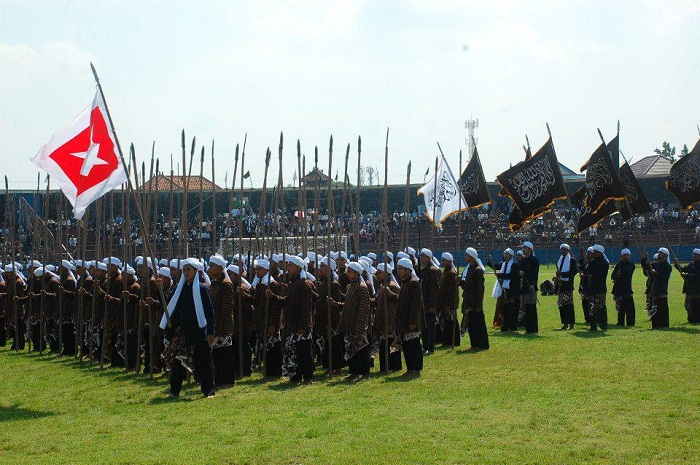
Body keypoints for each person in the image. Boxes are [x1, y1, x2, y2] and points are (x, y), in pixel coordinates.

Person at [160, 258, 216, 398]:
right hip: (182, 332)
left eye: (188, 270)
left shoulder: (202, 289)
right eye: (184, 270)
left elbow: (210, 312)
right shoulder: (178, 289)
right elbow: (169, 306)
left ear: (195, 271)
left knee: (204, 362)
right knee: (177, 362)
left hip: (199, 331)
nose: (186, 272)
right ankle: (174, 391)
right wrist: (159, 289)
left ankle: (208, 391)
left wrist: (210, 332)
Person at [267, 255, 315, 384]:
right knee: (294, 353)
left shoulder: (304, 285)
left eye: (291, 265)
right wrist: (274, 297)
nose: (288, 267)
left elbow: (306, 308)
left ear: (298, 267)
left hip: (301, 325)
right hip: (291, 324)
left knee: (304, 353)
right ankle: (295, 377)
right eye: (288, 265)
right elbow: (286, 302)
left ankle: (308, 377)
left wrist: (303, 326)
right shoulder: (292, 283)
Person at [330, 261, 371, 381]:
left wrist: (359, 327)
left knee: (361, 349)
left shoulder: (362, 288)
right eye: (347, 271)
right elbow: (348, 305)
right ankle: (354, 372)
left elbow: (363, 309)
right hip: (349, 323)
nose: (347, 273)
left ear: (357, 273)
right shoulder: (350, 287)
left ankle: (365, 374)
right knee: (351, 349)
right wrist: (336, 304)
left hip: (357, 324)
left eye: (350, 271)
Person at [207, 254, 236, 388]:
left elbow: (227, 309)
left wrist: (221, 327)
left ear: (219, 267)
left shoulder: (226, 284)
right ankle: (219, 380)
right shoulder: (214, 283)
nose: (209, 269)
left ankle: (227, 381)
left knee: (224, 355)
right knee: (217, 355)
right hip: (215, 325)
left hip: (223, 326)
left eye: (212, 266)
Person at [394, 258, 425, 378]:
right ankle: (410, 368)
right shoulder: (405, 283)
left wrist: (413, 321)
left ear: (408, 270)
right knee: (406, 346)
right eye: (398, 268)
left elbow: (415, 304)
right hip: (404, 320)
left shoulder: (414, 283)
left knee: (414, 346)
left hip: (411, 321)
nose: (398, 271)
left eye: (400, 269)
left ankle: (416, 370)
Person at [314, 257, 343, 375]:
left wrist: (331, 322)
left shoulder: (334, 284)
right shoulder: (325, 283)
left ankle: (337, 368)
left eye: (322, 267)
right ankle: (329, 367)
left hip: (332, 320)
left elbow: (335, 305)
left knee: (334, 344)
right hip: (323, 318)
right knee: (327, 344)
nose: (320, 269)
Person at [372, 262, 402, 372]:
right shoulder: (382, 286)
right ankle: (385, 367)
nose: (378, 275)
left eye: (380, 272)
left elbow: (393, 306)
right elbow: (377, 301)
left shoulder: (392, 287)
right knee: (384, 345)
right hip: (382, 321)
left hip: (390, 322)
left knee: (392, 344)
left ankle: (394, 367)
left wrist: (390, 322)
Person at [461, 248, 489, 351]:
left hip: (475, 302)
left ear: (472, 257)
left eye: (466, 255)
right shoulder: (469, 268)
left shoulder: (478, 270)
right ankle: (474, 344)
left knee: (478, 325)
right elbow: (467, 286)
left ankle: (482, 345)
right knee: (471, 324)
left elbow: (480, 289)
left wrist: (479, 304)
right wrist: (460, 282)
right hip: (468, 301)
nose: (465, 257)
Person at [641, 248, 672, 329]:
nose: (658, 253)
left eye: (660, 252)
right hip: (654, 290)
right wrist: (644, 258)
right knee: (654, 309)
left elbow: (664, 278)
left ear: (665, 255)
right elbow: (646, 266)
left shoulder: (668, 266)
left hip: (661, 290)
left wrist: (655, 273)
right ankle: (655, 325)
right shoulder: (656, 264)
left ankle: (664, 325)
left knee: (662, 309)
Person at [418, 248, 440, 355]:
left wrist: (432, 305)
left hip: (429, 303)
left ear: (428, 257)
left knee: (431, 327)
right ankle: (425, 345)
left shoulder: (432, 270)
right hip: (423, 303)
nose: (421, 258)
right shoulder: (424, 270)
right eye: (421, 256)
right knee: (424, 326)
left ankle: (431, 348)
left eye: (423, 256)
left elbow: (433, 289)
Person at [492, 248, 520, 332]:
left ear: (511, 256)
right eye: (504, 254)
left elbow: (512, 275)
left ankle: (512, 326)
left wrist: (500, 275)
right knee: (504, 308)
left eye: (507, 254)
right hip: (504, 289)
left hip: (511, 290)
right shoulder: (503, 264)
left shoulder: (514, 264)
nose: (505, 255)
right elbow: (495, 266)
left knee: (510, 309)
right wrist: (490, 260)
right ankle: (504, 326)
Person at [438, 252, 460, 346]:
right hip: (444, 302)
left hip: (450, 303)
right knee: (446, 322)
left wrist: (448, 304)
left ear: (449, 261)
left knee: (451, 322)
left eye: (444, 260)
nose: (442, 262)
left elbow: (452, 291)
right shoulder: (445, 272)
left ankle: (454, 341)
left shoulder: (451, 273)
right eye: (442, 260)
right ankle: (447, 341)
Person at [586, 245, 609, 331]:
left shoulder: (604, 263)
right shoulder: (594, 261)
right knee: (592, 307)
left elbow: (596, 272)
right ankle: (593, 326)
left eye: (595, 253)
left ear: (600, 253)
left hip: (600, 288)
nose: (594, 254)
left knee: (601, 307)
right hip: (593, 288)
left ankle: (603, 326)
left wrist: (589, 267)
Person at [518, 241, 539, 334]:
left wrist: (533, 284)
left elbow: (535, 274)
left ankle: (533, 329)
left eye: (525, 248)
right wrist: (520, 273)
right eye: (523, 248)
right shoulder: (523, 260)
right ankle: (528, 329)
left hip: (531, 287)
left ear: (530, 249)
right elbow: (520, 271)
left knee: (531, 308)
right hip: (524, 287)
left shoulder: (534, 260)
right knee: (525, 308)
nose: (523, 250)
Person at [555, 244, 578, 331]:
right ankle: (565, 323)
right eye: (562, 249)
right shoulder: (561, 259)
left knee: (569, 304)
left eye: (564, 249)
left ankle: (571, 324)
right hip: (561, 285)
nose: (563, 251)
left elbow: (572, 273)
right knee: (561, 304)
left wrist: (562, 274)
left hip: (568, 285)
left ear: (567, 250)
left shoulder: (572, 260)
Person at [674, 249, 700, 324]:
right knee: (688, 305)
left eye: (695, 254)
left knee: (697, 305)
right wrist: (677, 265)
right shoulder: (691, 264)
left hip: (698, 289)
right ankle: (691, 319)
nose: (693, 256)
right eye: (693, 254)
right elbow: (682, 269)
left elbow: (696, 276)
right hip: (690, 288)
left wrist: (686, 276)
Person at [611, 248, 636, 327]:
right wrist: (617, 275)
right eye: (625, 255)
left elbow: (628, 271)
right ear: (622, 256)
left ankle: (630, 323)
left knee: (630, 308)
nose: (627, 257)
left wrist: (621, 271)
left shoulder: (631, 265)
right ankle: (620, 322)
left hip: (627, 288)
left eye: (628, 255)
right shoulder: (619, 265)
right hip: (619, 288)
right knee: (620, 308)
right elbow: (613, 276)